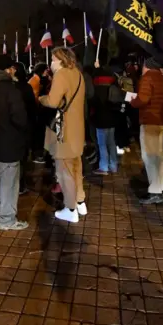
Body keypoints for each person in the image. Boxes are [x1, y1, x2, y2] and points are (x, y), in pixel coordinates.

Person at [39, 48, 86, 223]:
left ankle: (70, 209)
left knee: (64, 170)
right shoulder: (78, 74)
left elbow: (52, 102)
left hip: (64, 130)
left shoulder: (61, 74)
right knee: (76, 167)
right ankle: (80, 202)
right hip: (78, 129)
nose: (51, 62)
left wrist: (41, 98)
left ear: (61, 60)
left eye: (53, 59)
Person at [0, 55, 29, 230]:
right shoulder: (11, 90)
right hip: (10, 144)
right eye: (12, 68)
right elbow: (20, 118)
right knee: (9, 184)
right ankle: (7, 219)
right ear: (7, 70)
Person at [130, 57, 163, 204]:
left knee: (149, 157)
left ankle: (155, 191)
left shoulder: (147, 78)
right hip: (161, 122)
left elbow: (142, 99)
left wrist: (132, 101)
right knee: (158, 157)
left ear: (147, 66)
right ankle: (158, 187)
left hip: (150, 121)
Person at [91, 65, 121, 175]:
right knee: (112, 143)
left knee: (102, 144)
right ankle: (113, 165)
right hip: (112, 119)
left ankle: (103, 167)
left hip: (100, 120)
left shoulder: (96, 89)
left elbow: (93, 103)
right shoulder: (114, 87)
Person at [14, 62, 37, 194]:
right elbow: (32, 108)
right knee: (22, 158)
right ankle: (21, 183)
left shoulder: (17, 87)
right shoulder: (25, 87)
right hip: (24, 126)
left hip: (18, 127)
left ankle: (19, 183)